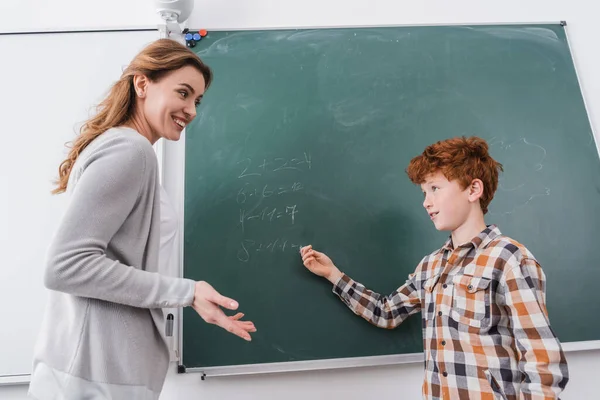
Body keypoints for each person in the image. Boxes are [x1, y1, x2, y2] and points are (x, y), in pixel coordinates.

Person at [28, 38, 256, 400]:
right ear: (142, 84)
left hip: (98, 375)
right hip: (94, 380)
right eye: (183, 93)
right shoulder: (130, 151)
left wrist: (191, 298)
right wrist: (187, 290)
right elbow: (64, 266)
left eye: (196, 100)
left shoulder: (121, 147)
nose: (192, 110)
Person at [300, 136, 568, 399]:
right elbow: (387, 312)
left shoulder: (508, 258)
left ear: (473, 190)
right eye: (424, 192)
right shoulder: (431, 266)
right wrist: (333, 274)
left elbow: (542, 357)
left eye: (435, 189)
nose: (426, 202)